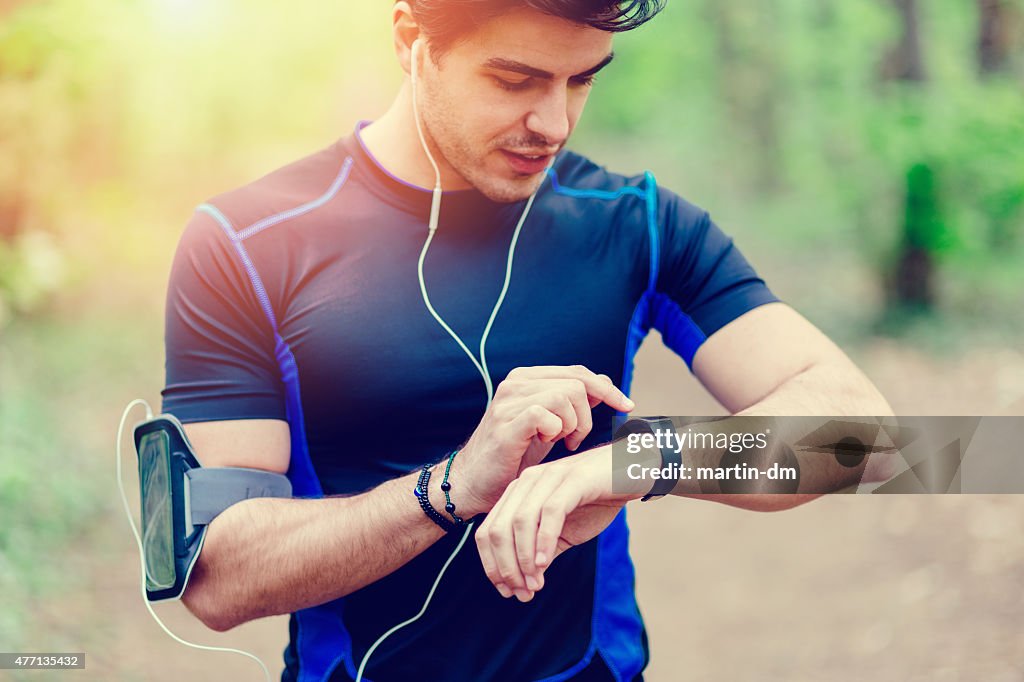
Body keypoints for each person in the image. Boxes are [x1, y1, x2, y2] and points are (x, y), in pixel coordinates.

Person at [161, 1, 894, 680]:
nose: (555, 122)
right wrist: (449, 487)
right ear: (411, 41)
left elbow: (864, 440)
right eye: (516, 80)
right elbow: (217, 577)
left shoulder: (636, 224)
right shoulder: (247, 244)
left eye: (582, 80)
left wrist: (633, 461)